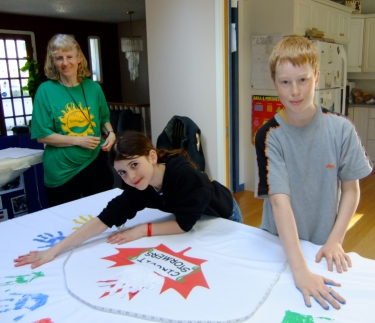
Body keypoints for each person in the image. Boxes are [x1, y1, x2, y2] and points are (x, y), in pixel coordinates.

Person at [255, 37, 373, 310]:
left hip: (322, 243)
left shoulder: (341, 128)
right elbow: (278, 201)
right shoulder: (268, 135)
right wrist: (300, 272)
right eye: (285, 82)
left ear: (317, 77)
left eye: (303, 80)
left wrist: (336, 240)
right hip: (278, 244)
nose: (295, 91)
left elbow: (351, 190)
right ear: (275, 83)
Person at [15, 130, 242, 268]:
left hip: (223, 215)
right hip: (196, 218)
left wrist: (141, 230)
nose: (131, 177)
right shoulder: (139, 186)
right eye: (122, 172)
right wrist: (55, 249)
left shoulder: (184, 174)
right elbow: (105, 218)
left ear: (152, 156)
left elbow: (184, 224)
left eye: (134, 165)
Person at [31, 34, 115, 207]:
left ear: (79, 58)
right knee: (66, 222)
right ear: (52, 61)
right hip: (62, 170)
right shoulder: (45, 90)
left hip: (94, 160)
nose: (65, 62)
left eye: (69, 56)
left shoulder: (94, 88)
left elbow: (104, 118)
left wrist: (111, 133)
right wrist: (78, 141)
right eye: (59, 58)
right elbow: (42, 135)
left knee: (104, 212)